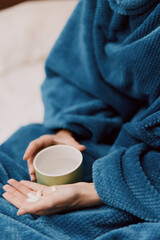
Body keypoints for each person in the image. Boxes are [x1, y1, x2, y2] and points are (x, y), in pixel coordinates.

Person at [0, 0, 160, 239]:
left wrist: (94, 191)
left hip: (149, 174)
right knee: (23, 146)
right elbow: (79, 73)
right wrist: (67, 132)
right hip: (106, 139)